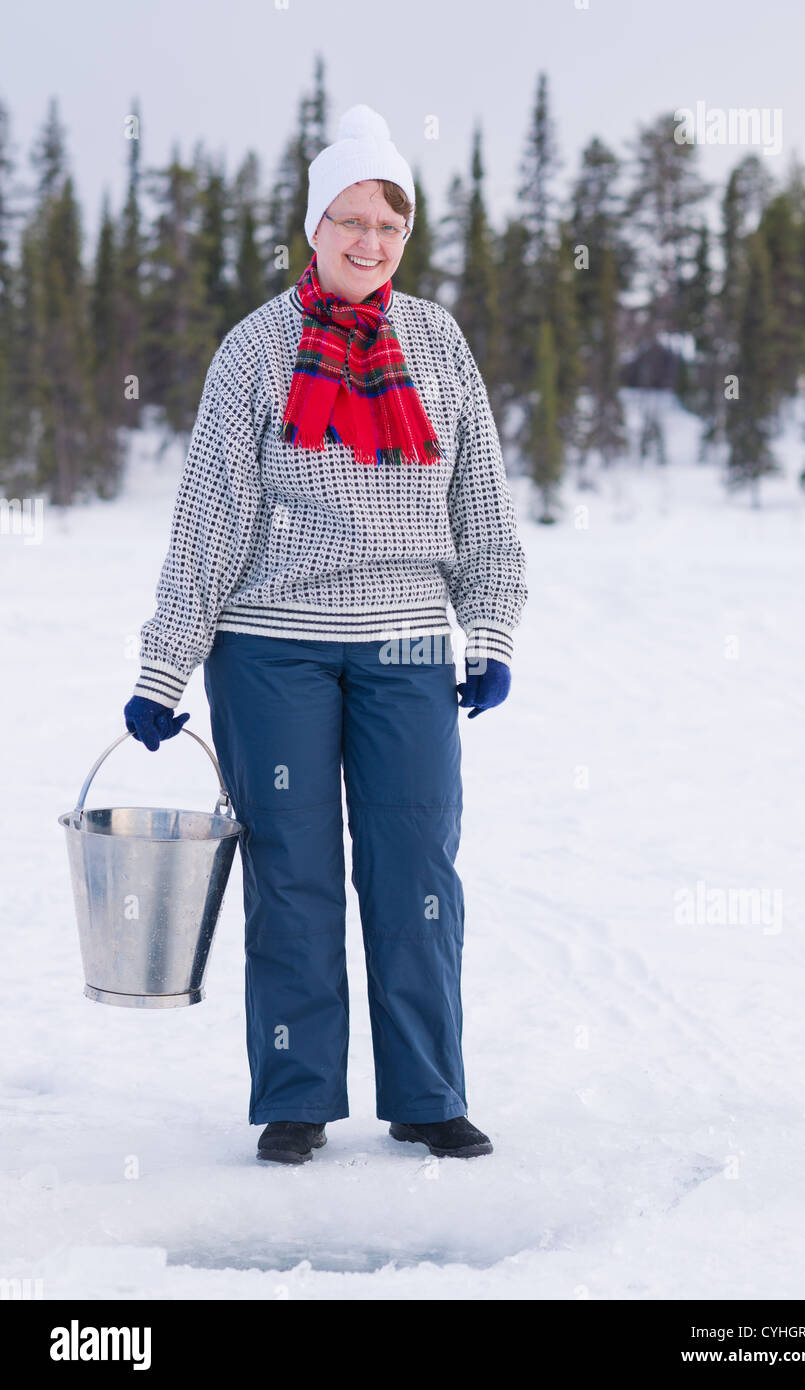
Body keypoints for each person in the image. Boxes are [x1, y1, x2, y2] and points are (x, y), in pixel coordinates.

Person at [124, 104, 528, 1164]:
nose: (367, 243)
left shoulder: (435, 341)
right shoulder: (256, 348)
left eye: (388, 225)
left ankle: (426, 1094)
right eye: (349, 220)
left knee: (416, 872)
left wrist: (488, 630)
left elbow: (481, 503)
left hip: (404, 647)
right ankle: (296, 1095)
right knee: (292, 879)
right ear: (314, 226)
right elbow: (210, 519)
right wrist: (163, 668)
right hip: (270, 652)